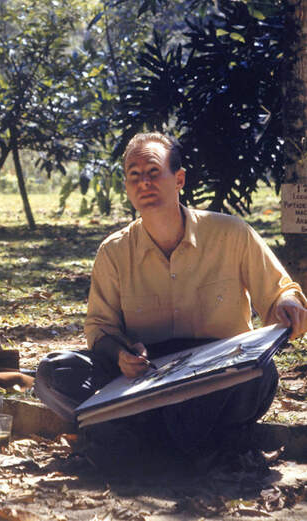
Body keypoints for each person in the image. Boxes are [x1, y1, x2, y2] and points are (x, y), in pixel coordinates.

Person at [36, 132, 307, 463]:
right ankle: (193, 445)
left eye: (153, 172)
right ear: (126, 187)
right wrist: (121, 354)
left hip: (218, 373)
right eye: (134, 176)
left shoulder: (231, 233)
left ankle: (143, 445)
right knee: (55, 371)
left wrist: (287, 304)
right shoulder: (114, 252)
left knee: (262, 375)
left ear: (179, 179)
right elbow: (99, 327)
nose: (144, 183)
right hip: (146, 378)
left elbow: (280, 291)